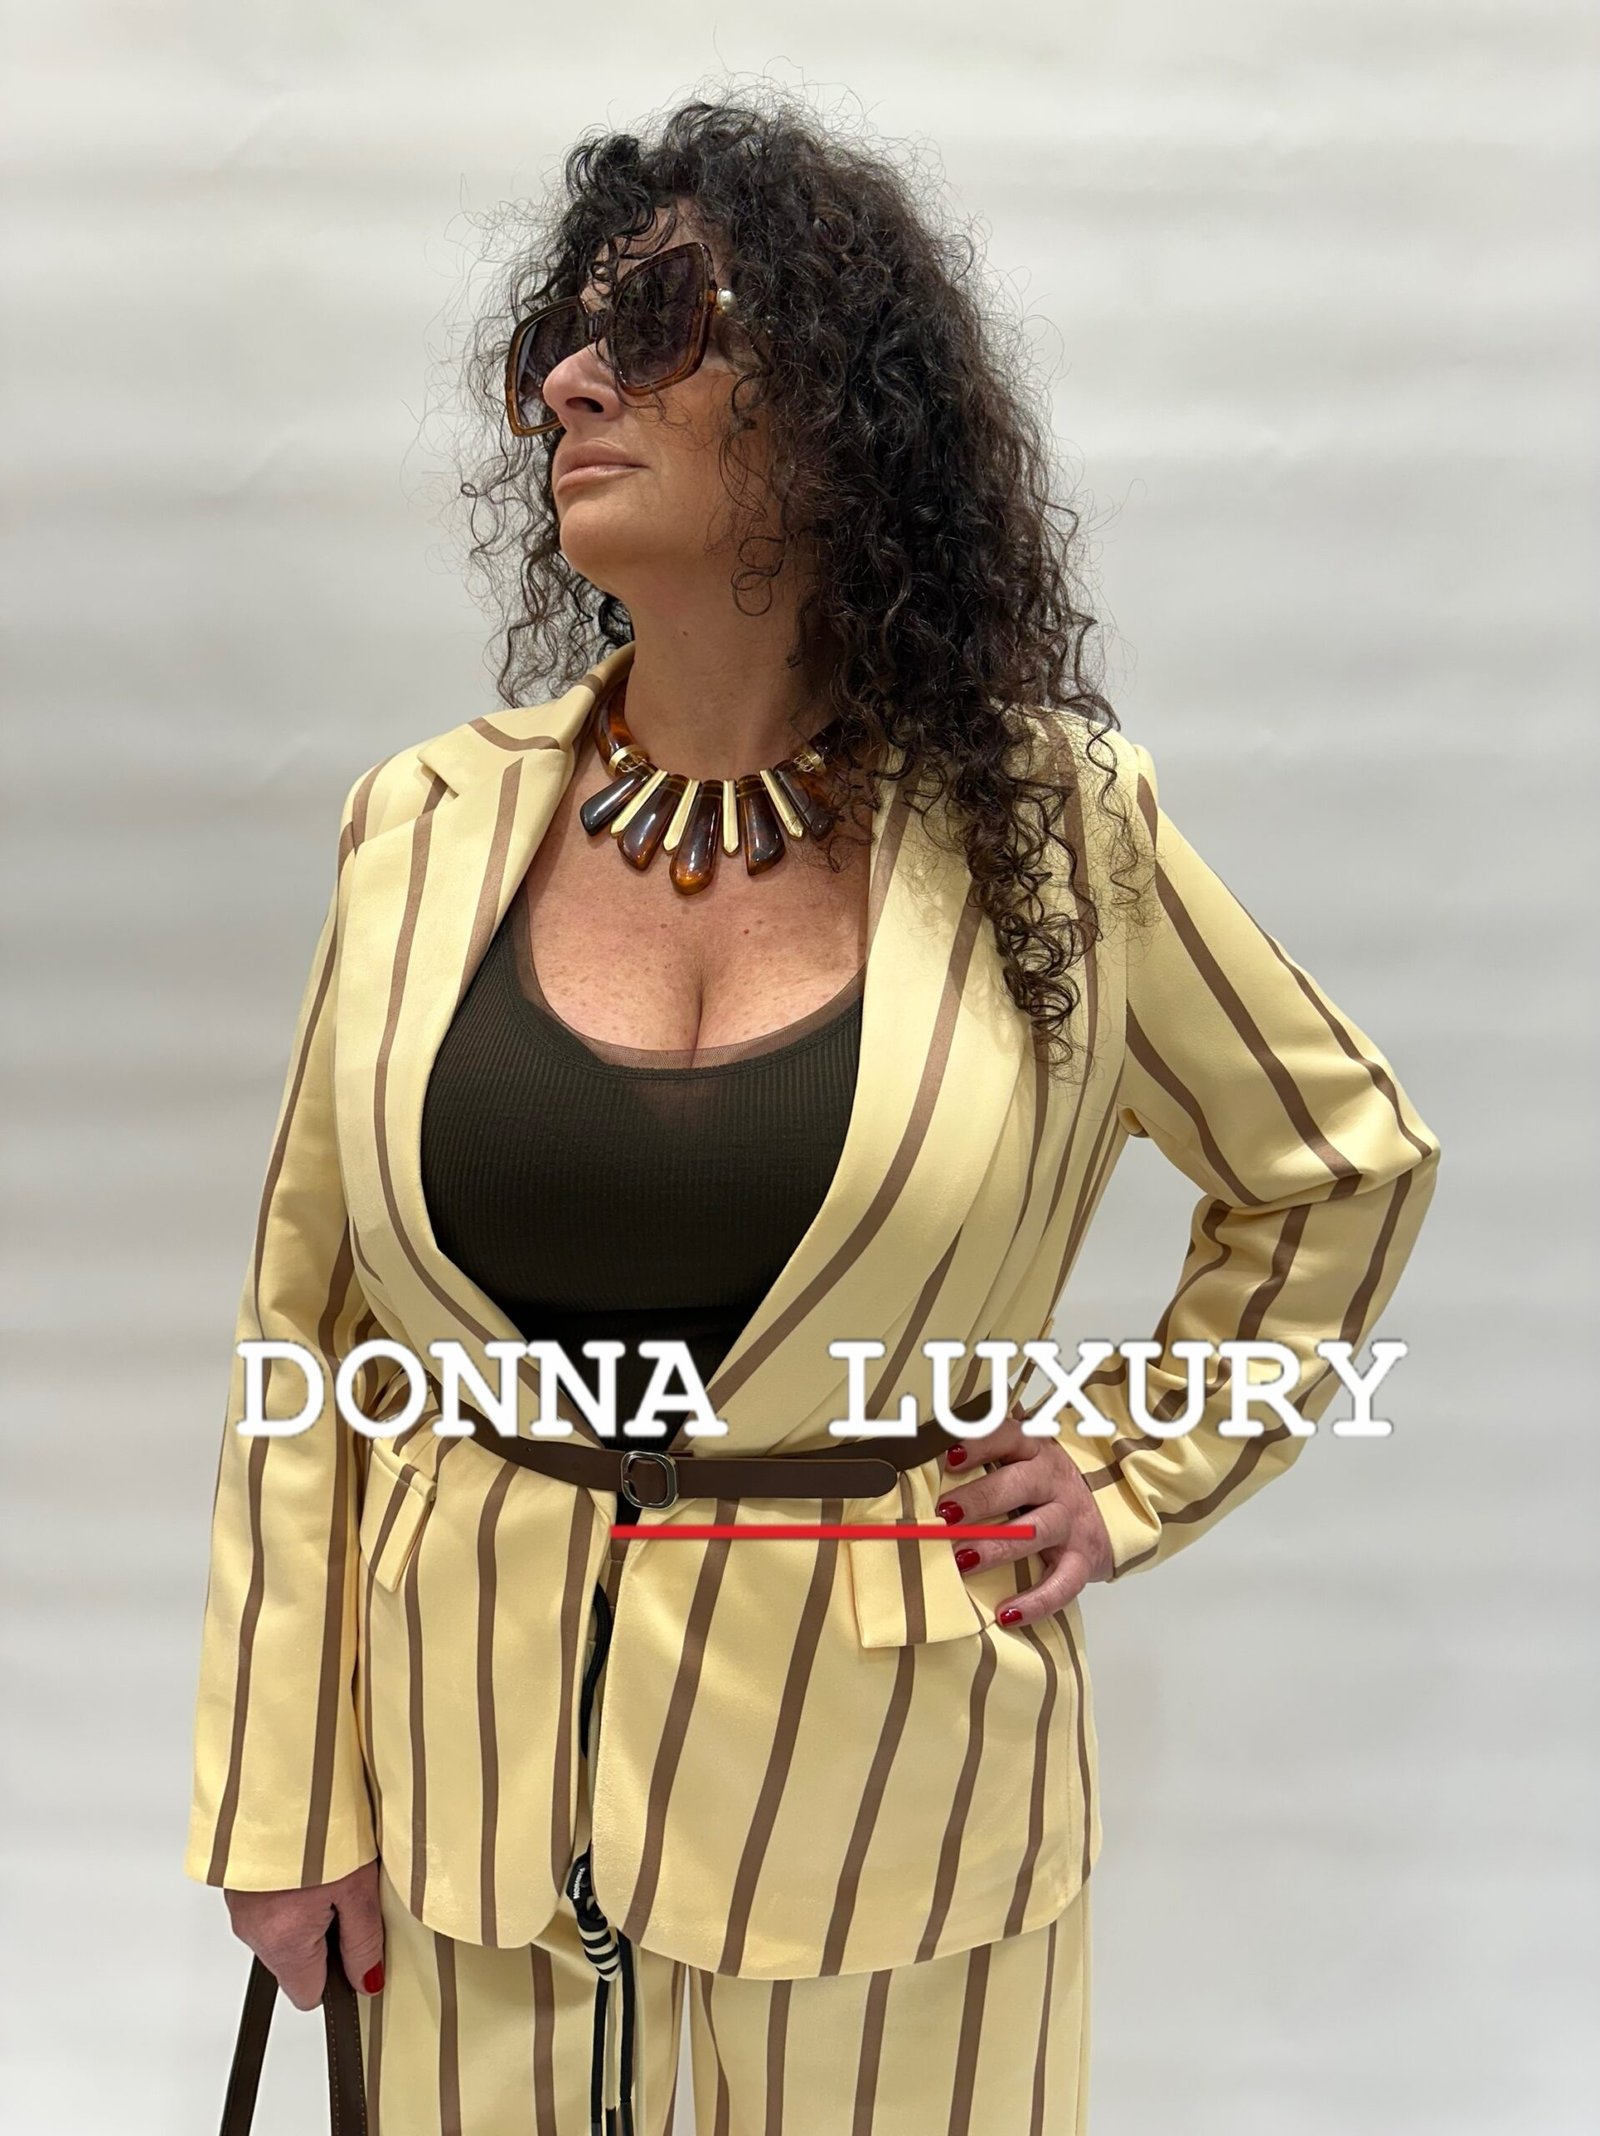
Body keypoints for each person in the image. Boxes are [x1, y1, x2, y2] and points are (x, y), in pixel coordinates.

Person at [186, 93, 1441, 2135]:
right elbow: (308, 1337)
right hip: (462, 1797)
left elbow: (1336, 1166)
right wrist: (280, 1789)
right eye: (558, 342)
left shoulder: (1053, 835)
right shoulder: (419, 826)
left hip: (900, 1804)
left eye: (654, 324)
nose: (570, 383)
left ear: (844, 409)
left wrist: (1129, 1471)